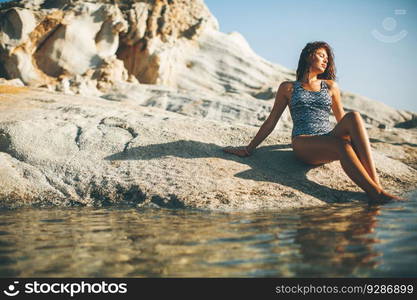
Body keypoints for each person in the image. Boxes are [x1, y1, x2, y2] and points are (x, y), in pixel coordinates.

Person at [223, 41, 403, 203]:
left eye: (327, 58)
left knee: (353, 116)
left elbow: (342, 119)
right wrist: (248, 149)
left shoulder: (330, 86)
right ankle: (375, 194)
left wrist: (359, 143)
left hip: (327, 137)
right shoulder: (288, 87)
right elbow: (271, 121)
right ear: (309, 56)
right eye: (321, 55)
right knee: (342, 145)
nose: (326, 61)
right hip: (303, 141)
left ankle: (377, 187)